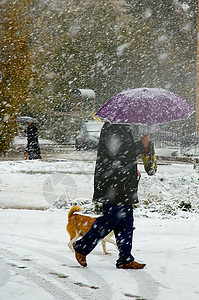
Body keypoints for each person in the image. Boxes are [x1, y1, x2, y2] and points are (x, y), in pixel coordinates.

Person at [74, 121, 150, 269]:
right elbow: (118, 153)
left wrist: (131, 169)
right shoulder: (113, 127)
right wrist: (141, 145)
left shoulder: (123, 126)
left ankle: (125, 258)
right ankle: (82, 247)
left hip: (122, 182)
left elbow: (123, 156)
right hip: (112, 184)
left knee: (126, 222)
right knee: (111, 219)